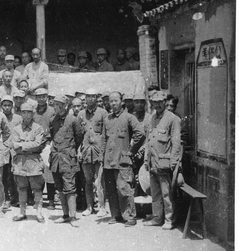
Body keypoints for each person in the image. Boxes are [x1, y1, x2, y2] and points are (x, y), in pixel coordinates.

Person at [102, 92, 144, 226]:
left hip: (123, 160)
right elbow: (104, 139)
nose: (113, 104)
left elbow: (140, 133)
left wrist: (131, 151)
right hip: (108, 161)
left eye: (116, 101)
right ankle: (116, 215)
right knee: (111, 190)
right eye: (111, 101)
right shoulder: (107, 119)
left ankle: (130, 217)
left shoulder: (129, 117)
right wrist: (101, 157)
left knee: (124, 188)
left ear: (121, 102)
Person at [143, 91, 182, 229]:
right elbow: (149, 140)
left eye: (160, 102)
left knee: (167, 194)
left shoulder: (173, 119)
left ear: (165, 102)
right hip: (152, 162)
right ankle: (157, 218)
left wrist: (174, 163)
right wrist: (146, 160)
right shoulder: (152, 119)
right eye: (155, 102)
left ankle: (169, 219)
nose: (157, 105)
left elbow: (176, 143)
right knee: (155, 194)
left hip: (165, 163)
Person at [49, 96, 84, 226]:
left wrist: (70, 150)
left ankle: (73, 217)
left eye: (59, 105)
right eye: (55, 104)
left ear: (65, 106)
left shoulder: (73, 120)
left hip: (68, 159)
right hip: (56, 159)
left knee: (70, 188)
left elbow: (79, 136)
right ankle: (65, 215)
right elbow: (53, 137)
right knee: (60, 188)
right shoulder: (52, 120)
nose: (56, 107)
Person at [11, 103, 47, 223]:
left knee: (37, 189)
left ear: (33, 114)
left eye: (29, 112)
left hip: (34, 162)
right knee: (21, 188)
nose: (27, 115)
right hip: (20, 163)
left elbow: (38, 145)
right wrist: (27, 146)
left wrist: (21, 145)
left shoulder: (38, 128)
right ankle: (22, 213)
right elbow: (14, 146)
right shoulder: (16, 129)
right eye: (24, 112)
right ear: (21, 113)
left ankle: (39, 213)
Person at [77, 89, 108, 216]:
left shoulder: (103, 113)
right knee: (88, 181)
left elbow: (106, 134)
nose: (90, 99)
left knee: (99, 180)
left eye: (92, 96)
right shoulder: (80, 114)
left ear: (96, 98)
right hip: (85, 151)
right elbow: (78, 135)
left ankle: (102, 207)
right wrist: (79, 150)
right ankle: (89, 207)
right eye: (88, 96)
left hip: (98, 151)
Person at [1, 95, 22, 209]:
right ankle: (6, 198)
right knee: (5, 176)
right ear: (1, 106)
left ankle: (17, 197)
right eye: (5, 105)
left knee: (15, 175)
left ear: (12, 106)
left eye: (9, 105)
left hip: (15, 150)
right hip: (3, 149)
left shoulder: (18, 118)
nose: (7, 108)